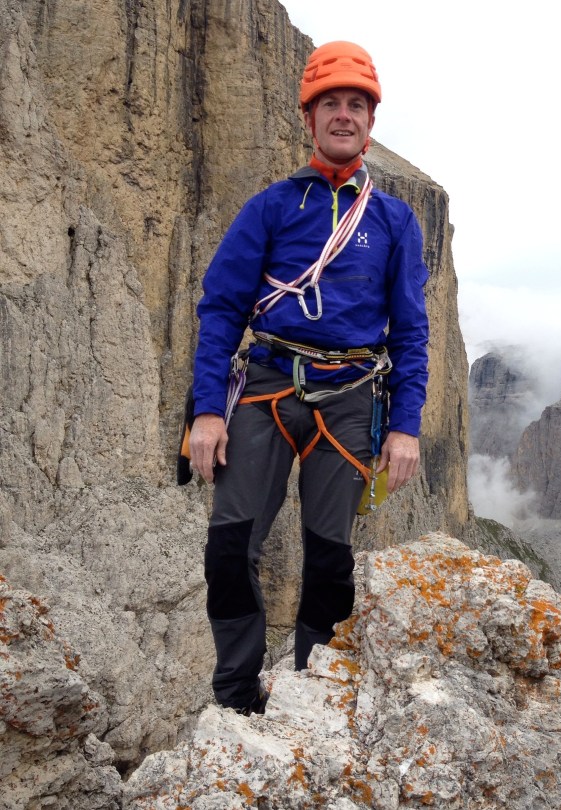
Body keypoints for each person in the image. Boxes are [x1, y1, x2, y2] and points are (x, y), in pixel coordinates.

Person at [188, 41, 430, 714]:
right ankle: (238, 695)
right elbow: (221, 308)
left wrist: (405, 426)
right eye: (331, 104)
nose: (344, 115)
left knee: (329, 559)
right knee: (229, 546)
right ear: (309, 117)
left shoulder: (394, 220)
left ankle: (314, 694)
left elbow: (411, 332)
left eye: (356, 105)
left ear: (370, 121)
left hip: (350, 397)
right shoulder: (271, 207)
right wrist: (207, 411)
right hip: (266, 385)